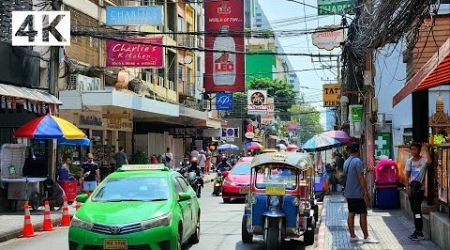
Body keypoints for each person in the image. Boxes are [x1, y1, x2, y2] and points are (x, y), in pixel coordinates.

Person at [343, 143, 376, 243]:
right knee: (362, 213)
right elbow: (361, 178)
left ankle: (353, 236)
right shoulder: (357, 161)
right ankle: (366, 237)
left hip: (348, 193)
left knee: (351, 213)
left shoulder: (346, 162)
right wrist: (366, 192)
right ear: (358, 150)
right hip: (357, 193)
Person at [405, 142, 431, 241]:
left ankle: (418, 231)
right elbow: (407, 175)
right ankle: (418, 230)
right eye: (411, 149)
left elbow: (429, 161)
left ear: (419, 150)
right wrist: (407, 188)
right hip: (412, 189)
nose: (413, 151)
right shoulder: (409, 161)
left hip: (420, 189)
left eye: (415, 149)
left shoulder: (423, 161)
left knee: (416, 209)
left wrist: (426, 149)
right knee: (414, 210)